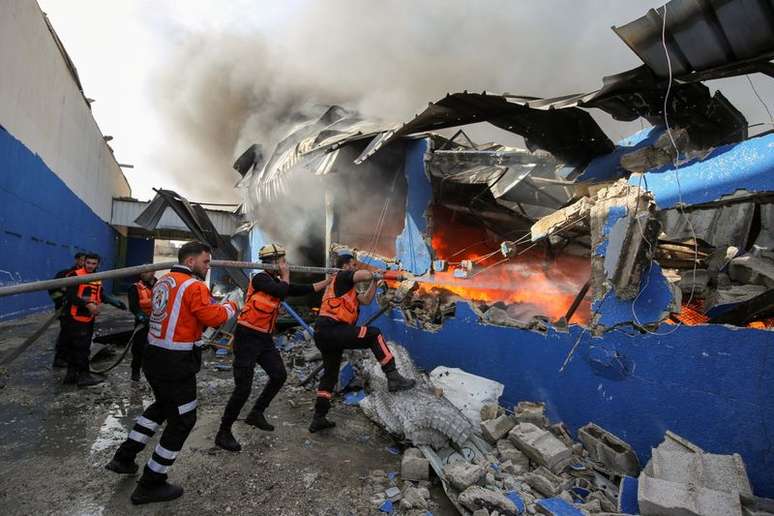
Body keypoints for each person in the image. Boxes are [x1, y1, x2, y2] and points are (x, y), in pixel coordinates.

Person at [105, 241, 237, 506]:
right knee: (183, 420)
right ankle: (150, 483)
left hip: (155, 356)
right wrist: (233, 305)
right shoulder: (194, 286)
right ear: (190, 261)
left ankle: (124, 457)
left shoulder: (164, 281)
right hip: (176, 362)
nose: (207, 266)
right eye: (205, 261)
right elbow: (214, 318)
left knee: (162, 407)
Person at [215, 244, 332, 452]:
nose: (284, 264)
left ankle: (256, 413)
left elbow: (300, 289)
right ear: (271, 262)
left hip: (264, 338)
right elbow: (281, 290)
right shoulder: (260, 279)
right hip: (247, 337)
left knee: (279, 375)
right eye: (281, 261)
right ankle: (224, 432)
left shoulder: (278, 281)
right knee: (243, 388)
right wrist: (286, 274)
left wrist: (328, 281)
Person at [309, 248, 415, 433]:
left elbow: (365, 300)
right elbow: (363, 275)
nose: (355, 268)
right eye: (353, 265)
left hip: (325, 334)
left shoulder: (345, 289)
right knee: (373, 334)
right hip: (332, 329)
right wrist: (375, 273)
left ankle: (319, 418)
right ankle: (393, 376)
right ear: (345, 266)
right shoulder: (342, 277)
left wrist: (375, 281)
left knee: (330, 375)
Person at [61, 253, 126, 387]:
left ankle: (71, 375)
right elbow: (70, 295)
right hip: (76, 318)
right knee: (82, 348)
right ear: (84, 262)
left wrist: (114, 302)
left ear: (98, 265)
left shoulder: (97, 278)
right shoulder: (76, 275)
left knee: (77, 347)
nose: (90, 266)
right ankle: (84, 376)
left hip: (87, 318)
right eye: (88, 263)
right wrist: (87, 305)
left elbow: (99, 294)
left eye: (93, 263)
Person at [48, 252, 86, 368]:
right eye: (82, 260)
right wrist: (61, 301)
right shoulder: (66, 274)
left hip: (80, 311)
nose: (84, 263)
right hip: (65, 310)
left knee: (77, 335)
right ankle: (59, 359)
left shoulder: (88, 276)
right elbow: (52, 289)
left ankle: (71, 357)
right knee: (66, 334)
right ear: (77, 260)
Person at [127, 270, 157, 381]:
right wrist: (142, 318)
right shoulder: (135, 287)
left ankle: (153, 371)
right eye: (142, 272)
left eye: (147, 272)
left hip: (158, 322)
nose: (143, 274)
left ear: (154, 272)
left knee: (156, 347)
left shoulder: (160, 285)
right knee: (138, 347)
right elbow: (134, 307)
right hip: (142, 323)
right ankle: (135, 371)